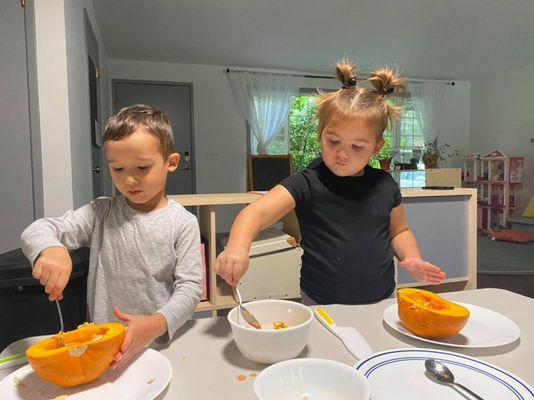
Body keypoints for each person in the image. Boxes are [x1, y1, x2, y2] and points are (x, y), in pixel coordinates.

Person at [215, 60, 445, 305]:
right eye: (333, 141)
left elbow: (399, 231)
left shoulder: (385, 185)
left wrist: (412, 258)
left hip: (382, 297)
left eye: (357, 146)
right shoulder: (307, 182)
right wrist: (237, 248)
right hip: (320, 300)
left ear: (376, 147)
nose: (342, 154)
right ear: (321, 134)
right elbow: (256, 213)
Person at [21, 104, 202, 368]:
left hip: (157, 347)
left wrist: (156, 324)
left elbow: (191, 288)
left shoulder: (183, 222)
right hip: (100, 349)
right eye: (118, 169)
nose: (129, 180)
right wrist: (51, 249)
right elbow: (37, 229)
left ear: (170, 163)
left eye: (142, 168)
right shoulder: (100, 212)